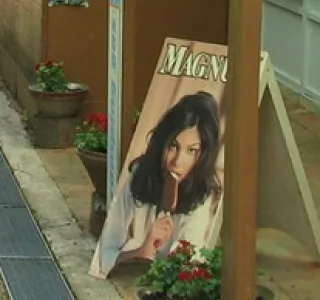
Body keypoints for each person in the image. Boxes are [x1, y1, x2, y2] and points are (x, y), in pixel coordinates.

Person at [90, 90, 225, 279]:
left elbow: (186, 270)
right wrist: (141, 252)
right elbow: (104, 256)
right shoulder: (141, 174)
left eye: (192, 151)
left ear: (204, 155)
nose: (177, 162)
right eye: (173, 146)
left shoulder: (203, 195)